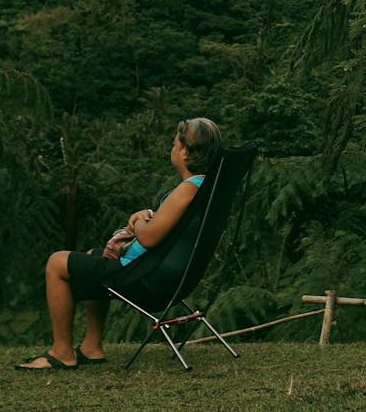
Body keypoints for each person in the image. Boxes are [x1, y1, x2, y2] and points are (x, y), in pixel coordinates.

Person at [16, 117, 222, 370]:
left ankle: (61, 352)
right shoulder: (207, 188)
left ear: (185, 152)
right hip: (167, 277)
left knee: (56, 262)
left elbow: (148, 238)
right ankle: (91, 347)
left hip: (146, 278)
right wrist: (148, 214)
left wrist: (138, 223)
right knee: (95, 255)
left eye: (174, 144)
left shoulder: (189, 188)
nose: (171, 149)